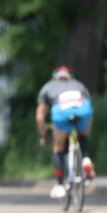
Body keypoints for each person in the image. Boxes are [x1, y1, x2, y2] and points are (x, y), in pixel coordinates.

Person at [36, 65, 95, 199]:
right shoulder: (79, 85)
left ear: (55, 76)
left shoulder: (48, 87)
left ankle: (59, 185)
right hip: (83, 111)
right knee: (83, 136)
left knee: (58, 147)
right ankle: (86, 158)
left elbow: (40, 117)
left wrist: (43, 136)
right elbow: (89, 105)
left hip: (62, 112)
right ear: (70, 76)